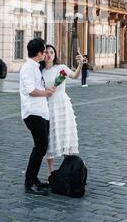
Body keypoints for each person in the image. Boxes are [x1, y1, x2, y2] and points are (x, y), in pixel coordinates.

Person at [20, 38, 56, 196]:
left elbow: (37, 87)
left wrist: (46, 90)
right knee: (40, 147)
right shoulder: (28, 68)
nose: (45, 54)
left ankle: (33, 179)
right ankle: (29, 183)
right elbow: (30, 90)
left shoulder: (35, 67)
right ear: (39, 53)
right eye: (44, 51)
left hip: (41, 112)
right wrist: (46, 92)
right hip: (33, 112)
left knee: (41, 147)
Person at [41, 45, 83, 176]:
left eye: (51, 52)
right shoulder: (40, 71)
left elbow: (75, 76)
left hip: (63, 104)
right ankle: (51, 172)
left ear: (55, 55)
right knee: (50, 137)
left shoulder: (61, 68)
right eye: (46, 52)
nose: (49, 54)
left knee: (65, 135)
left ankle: (68, 170)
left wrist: (80, 64)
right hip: (48, 105)